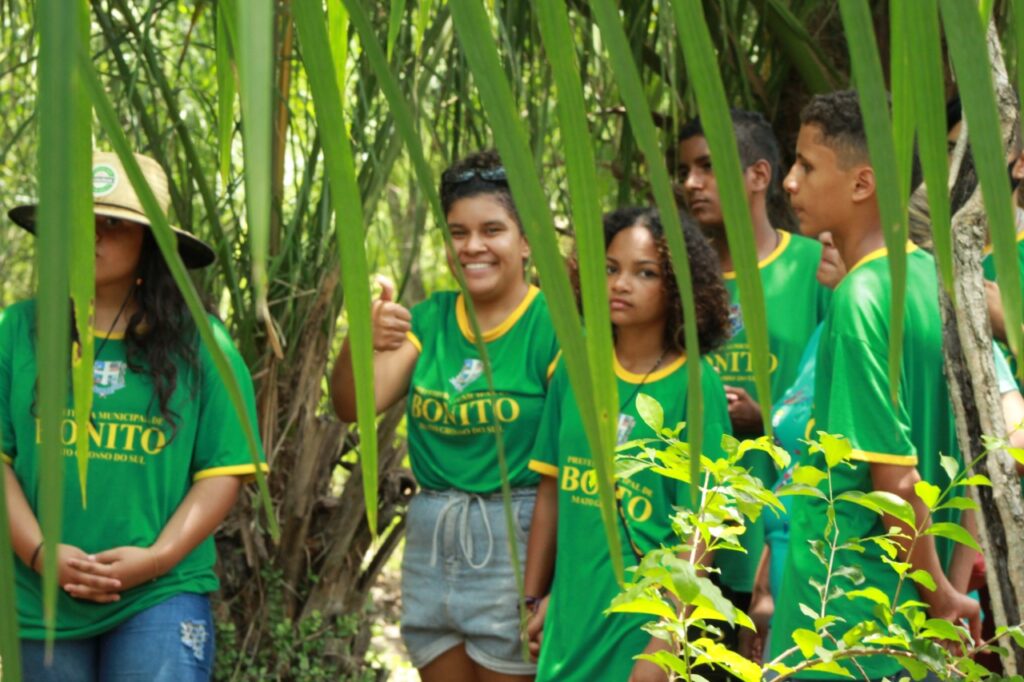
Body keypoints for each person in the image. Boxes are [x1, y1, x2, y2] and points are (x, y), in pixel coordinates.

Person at [2, 151, 267, 681]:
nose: (91, 236)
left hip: (158, 593)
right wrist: (37, 552)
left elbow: (223, 473)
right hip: (39, 595)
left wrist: (156, 559)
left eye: (114, 224)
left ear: (150, 243)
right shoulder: (16, 330)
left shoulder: (204, 346)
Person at [769, 90, 980, 680]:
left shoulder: (861, 300)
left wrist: (938, 592)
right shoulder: (926, 281)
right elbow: (966, 461)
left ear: (863, 183)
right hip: (906, 620)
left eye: (807, 166)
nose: (789, 182)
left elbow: (894, 481)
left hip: (846, 613)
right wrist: (946, 596)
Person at [331, 150, 557, 682]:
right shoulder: (430, 319)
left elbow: (568, 471)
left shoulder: (552, 327)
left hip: (518, 539)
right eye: (458, 232)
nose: (472, 246)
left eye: (492, 229)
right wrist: (358, 341)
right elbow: (351, 404)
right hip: (433, 540)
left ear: (526, 241)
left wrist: (549, 585)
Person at [522, 207, 732, 682]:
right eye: (611, 269)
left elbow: (702, 531)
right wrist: (532, 599)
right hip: (568, 624)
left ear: (678, 286)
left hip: (642, 629)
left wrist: (663, 642)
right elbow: (551, 492)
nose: (620, 284)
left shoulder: (695, 385)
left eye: (645, 273)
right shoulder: (574, 369)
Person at [674, 109, 830, 633]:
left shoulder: (817, 268)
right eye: (685, 171)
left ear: (760, 175)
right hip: (685, 537)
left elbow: (843, 397)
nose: (691, 183)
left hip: (786, 537)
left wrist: (767, 419)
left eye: (708, 167)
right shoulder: (671, 283)